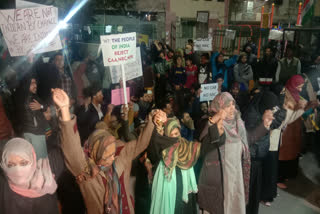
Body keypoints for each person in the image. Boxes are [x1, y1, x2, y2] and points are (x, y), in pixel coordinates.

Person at [52, 88, 162, 214]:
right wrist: (65, 110)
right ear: (95, 153)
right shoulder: (87, 172)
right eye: (106, 157)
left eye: (112, 154)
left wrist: (152, 121)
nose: (111, 159)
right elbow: (72, 151)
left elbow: (141, 144)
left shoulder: (121, 154)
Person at [197, 92, 274, 214]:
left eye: (233, 104)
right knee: (217, 207)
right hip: (218, 177)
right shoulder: (211, 123)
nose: (232, 108)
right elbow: (203, 140)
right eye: (227, 105)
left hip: (235, 175)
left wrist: (264, 125)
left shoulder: (238, 122)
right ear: (219, 108)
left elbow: (248, 139)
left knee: (232, 206)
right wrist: (213, 121)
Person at [149, 118, 201, 214]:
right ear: (165, 137)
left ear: (180, 133)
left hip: (186, 196)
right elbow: (153, 148)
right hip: (170, 195)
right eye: (170, 135)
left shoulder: (187, 148)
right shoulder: (163, 153)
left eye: (176, 134)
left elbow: (203, 148)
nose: (174, 138)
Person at [0, 137, 64, 214]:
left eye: (23, 163)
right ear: (4, 165)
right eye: (11, 165)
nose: (18, 170)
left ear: (33, 160)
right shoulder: (3, 184)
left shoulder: (46, 178)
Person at [277, 75, 313, 189]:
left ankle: (286, 175)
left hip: (293, 132)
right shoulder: (285, 96)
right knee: (282, 155)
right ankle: (278, 179)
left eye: (302, 87)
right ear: (293, 85)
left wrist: (306, 106)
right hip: (285, 131)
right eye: (299, 87)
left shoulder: (294, 94)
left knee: (291, 153)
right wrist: (302, 108)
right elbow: (287, 120)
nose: (301, 90)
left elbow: (300, 103)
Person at [15, 74, 50, 159]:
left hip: (27, 132)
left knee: (33, 158)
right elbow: (46, 107)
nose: (35, 85)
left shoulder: (20, 96)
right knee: (41, 159)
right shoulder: (32, 97)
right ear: (27, 84)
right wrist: (42, 107)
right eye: (32, 83)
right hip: (36, 132)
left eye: (35, 83)